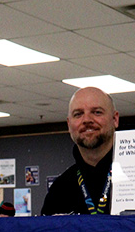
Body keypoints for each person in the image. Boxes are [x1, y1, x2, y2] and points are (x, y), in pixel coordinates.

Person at [41, 86, 119, 215]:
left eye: (97, 112)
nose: (87, 120)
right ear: (69, 124)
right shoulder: (60, 190)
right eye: (78, 114)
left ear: (115, 119)